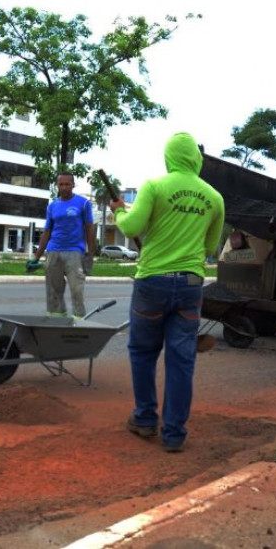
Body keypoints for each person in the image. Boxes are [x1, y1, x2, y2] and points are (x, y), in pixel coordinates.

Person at [109, 132, 225, 452]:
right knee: (181, 360)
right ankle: (174, 435)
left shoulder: (154, 186)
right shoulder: (214, 198)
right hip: (190, 285)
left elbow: (132, 228)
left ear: (169, 156)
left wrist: (119, 210)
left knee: (144, 352)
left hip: (153, 282)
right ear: (196, 160)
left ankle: (145, 420)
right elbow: (210, 247)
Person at [32, 173, 96, 319]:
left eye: (67, 184)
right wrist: (36, 257)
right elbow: (47, 231)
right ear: (57, 186)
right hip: (53, 251)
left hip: (75, 252)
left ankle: (79, 324)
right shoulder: (52, 206)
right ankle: (56, 321)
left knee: (76, 291)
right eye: (61, 184)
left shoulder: (84, 204)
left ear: (73, 185)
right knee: (53, 291)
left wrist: (90, 256)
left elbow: (89, 229)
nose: (64, 187)